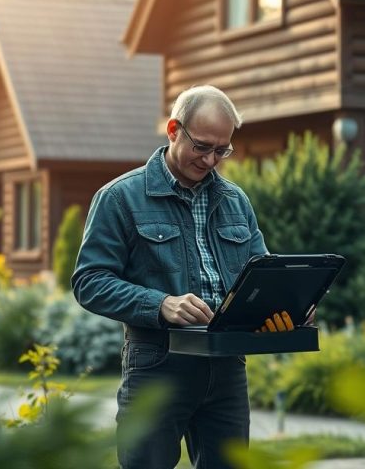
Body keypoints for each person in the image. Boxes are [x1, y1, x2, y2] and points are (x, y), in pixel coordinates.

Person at [72, 85, 272, 469]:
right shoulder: (120, 198)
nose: (212, 160)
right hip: (158, 367)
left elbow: (258, 274)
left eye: (222, 150)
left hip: (228, 366)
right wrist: (160, 304)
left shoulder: (236, 201)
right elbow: (89, 281)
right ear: (173, 130)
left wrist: (289, 305)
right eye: (202, 146)